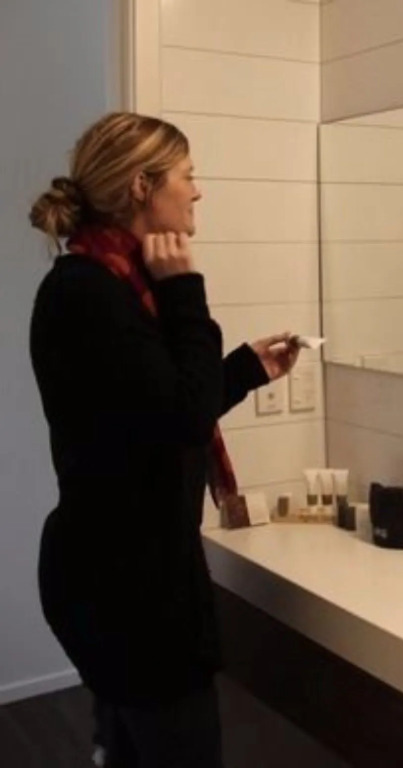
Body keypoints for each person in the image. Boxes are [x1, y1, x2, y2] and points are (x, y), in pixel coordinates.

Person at [28, 112, 299, 767]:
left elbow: (158, 409)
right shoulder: (87, 294)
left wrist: (246, 369)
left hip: (123, 581)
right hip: (128, 596)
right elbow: (181, 415)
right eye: (188, 175)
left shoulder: (109, 285)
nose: (198, 190)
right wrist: (184, 290)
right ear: (143, 186)